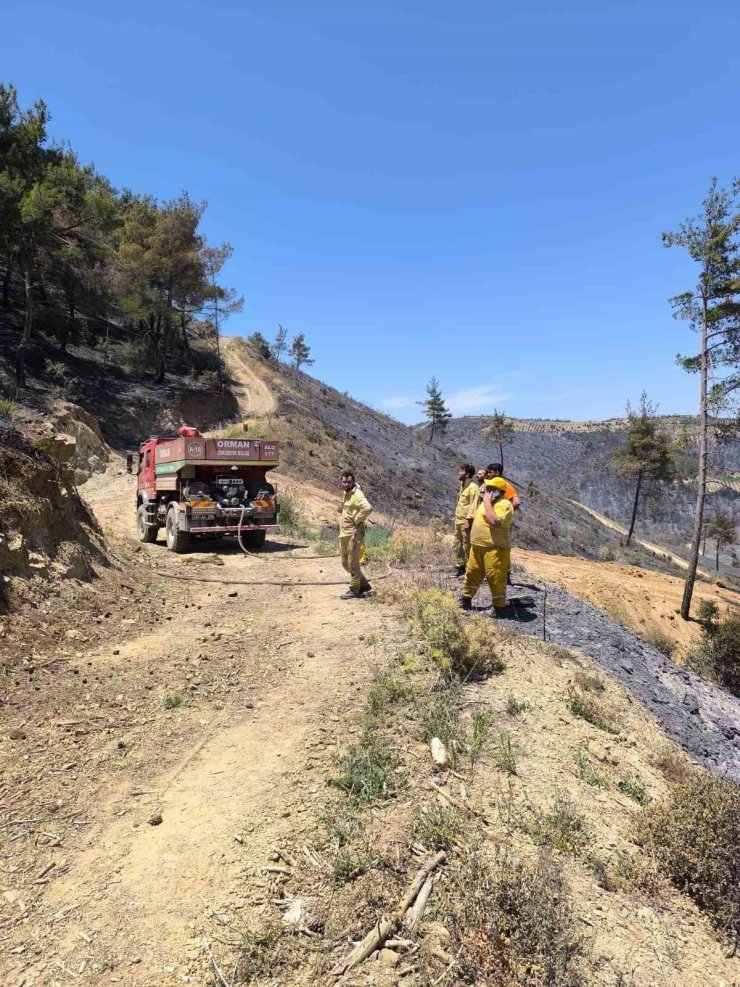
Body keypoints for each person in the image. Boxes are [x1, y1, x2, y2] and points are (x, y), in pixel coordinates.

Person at [460, 477, 513, 615]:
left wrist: (487, 503)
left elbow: (495, 522)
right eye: (487, 488)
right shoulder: (485, 503)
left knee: (495, 577)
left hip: (495, 548)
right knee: (472, 572)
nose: (487, 490)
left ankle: (498, 607)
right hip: (477, 546)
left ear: (499, 491)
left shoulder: (504, 504)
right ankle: (465, 599)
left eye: (491, 489)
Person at [338, 470, 373, 599]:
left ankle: (354, 590)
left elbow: (367, 508)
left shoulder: (357, 494)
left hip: (354, 534)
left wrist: (357, 520)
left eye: (348, 482)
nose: (346, 484)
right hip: (344, 533)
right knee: (345, 563)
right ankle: (364, 585)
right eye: (344, 481)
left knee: (353, 563)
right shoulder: (346, 494)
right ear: (341, 482)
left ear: (353, 482)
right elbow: (347, 506)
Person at [454, 464, 480, 576]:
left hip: (466, 522)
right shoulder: (462, 485)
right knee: (457, 544)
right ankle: (461, 567)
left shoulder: (473, 488)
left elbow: (474, 505)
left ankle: (472, 570)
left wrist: (469, 521)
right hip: (458, 520)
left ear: (467, 474)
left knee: (467, 546)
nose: (458, 473)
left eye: (461, 471)